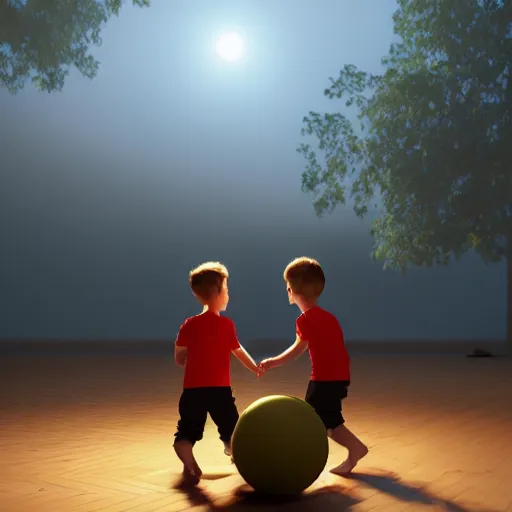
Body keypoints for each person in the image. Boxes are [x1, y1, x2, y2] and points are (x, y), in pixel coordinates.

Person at [259, 257, 368, 476]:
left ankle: (354, 448)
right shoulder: (330, 318)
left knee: (318, 419)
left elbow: (298, 349)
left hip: (324, 379)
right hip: (338, 377)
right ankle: (324, 453)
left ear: (290, 290)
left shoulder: (304, 320)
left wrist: (273, 361)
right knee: (321, 418)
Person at [173, 261, 260, 485]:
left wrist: (190, 360)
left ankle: (184, 447)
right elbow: (238, 351)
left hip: (192, 390)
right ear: (219, 293)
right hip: (220, 390)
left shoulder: (188, 325)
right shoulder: (226, 325)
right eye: (227, 290)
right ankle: (236, 453)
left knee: (189, 428)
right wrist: (255, 367)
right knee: (231, 427)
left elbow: (179, 357)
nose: (228, 295)